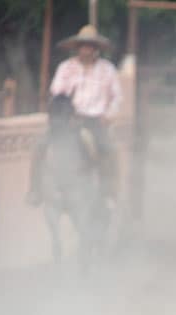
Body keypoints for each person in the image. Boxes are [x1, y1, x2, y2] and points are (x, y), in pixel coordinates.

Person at [36, 24, 122, 204]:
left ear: (96, 49)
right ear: (77, 48)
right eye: (83, 46)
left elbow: (117, 97)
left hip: (95, 120)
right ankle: (35, 190)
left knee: (108, 150)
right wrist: (63, 109)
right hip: (68, 121)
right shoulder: (65, 68)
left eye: (90, 46)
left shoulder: (108, 69)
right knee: (40, 146)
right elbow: (56, 93)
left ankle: (107, 193)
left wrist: (109, 115)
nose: (86, 50)